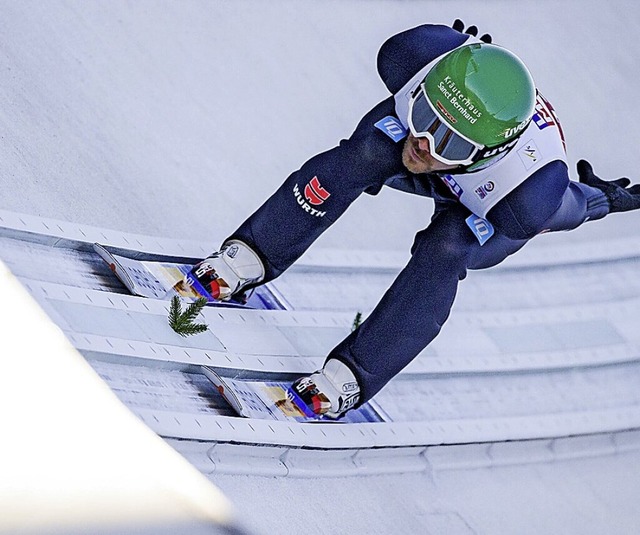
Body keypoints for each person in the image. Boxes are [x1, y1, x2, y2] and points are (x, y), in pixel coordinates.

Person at [186, 20, 640, 418]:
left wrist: (602, 198)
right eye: (424, 115)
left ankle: (353, 375)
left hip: (481, 201)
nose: (424, 143)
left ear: (489, 154)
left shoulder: (526, 195)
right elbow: (433, 123)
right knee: (362, 155)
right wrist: (462, 52)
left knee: (444, 252)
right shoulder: (416, 54)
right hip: (453, 155)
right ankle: (252, 255)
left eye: (451, 142)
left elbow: (570, 206)